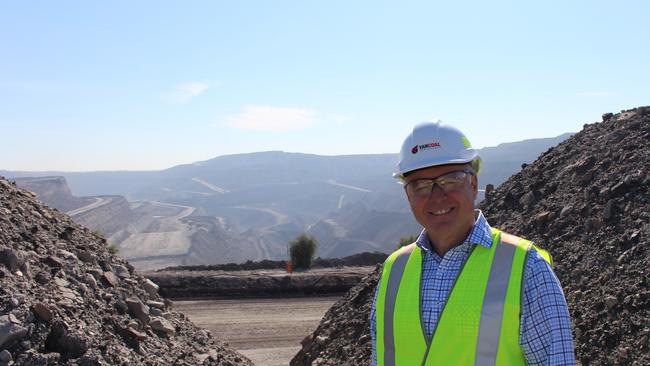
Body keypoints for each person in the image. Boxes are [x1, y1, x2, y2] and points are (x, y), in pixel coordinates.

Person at [370, 121, 575, 365]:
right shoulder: (394, 270)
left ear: (474, 183)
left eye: (450, 180)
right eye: (421, 186)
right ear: (408, 195)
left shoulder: (526, 268)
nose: (437, 196)